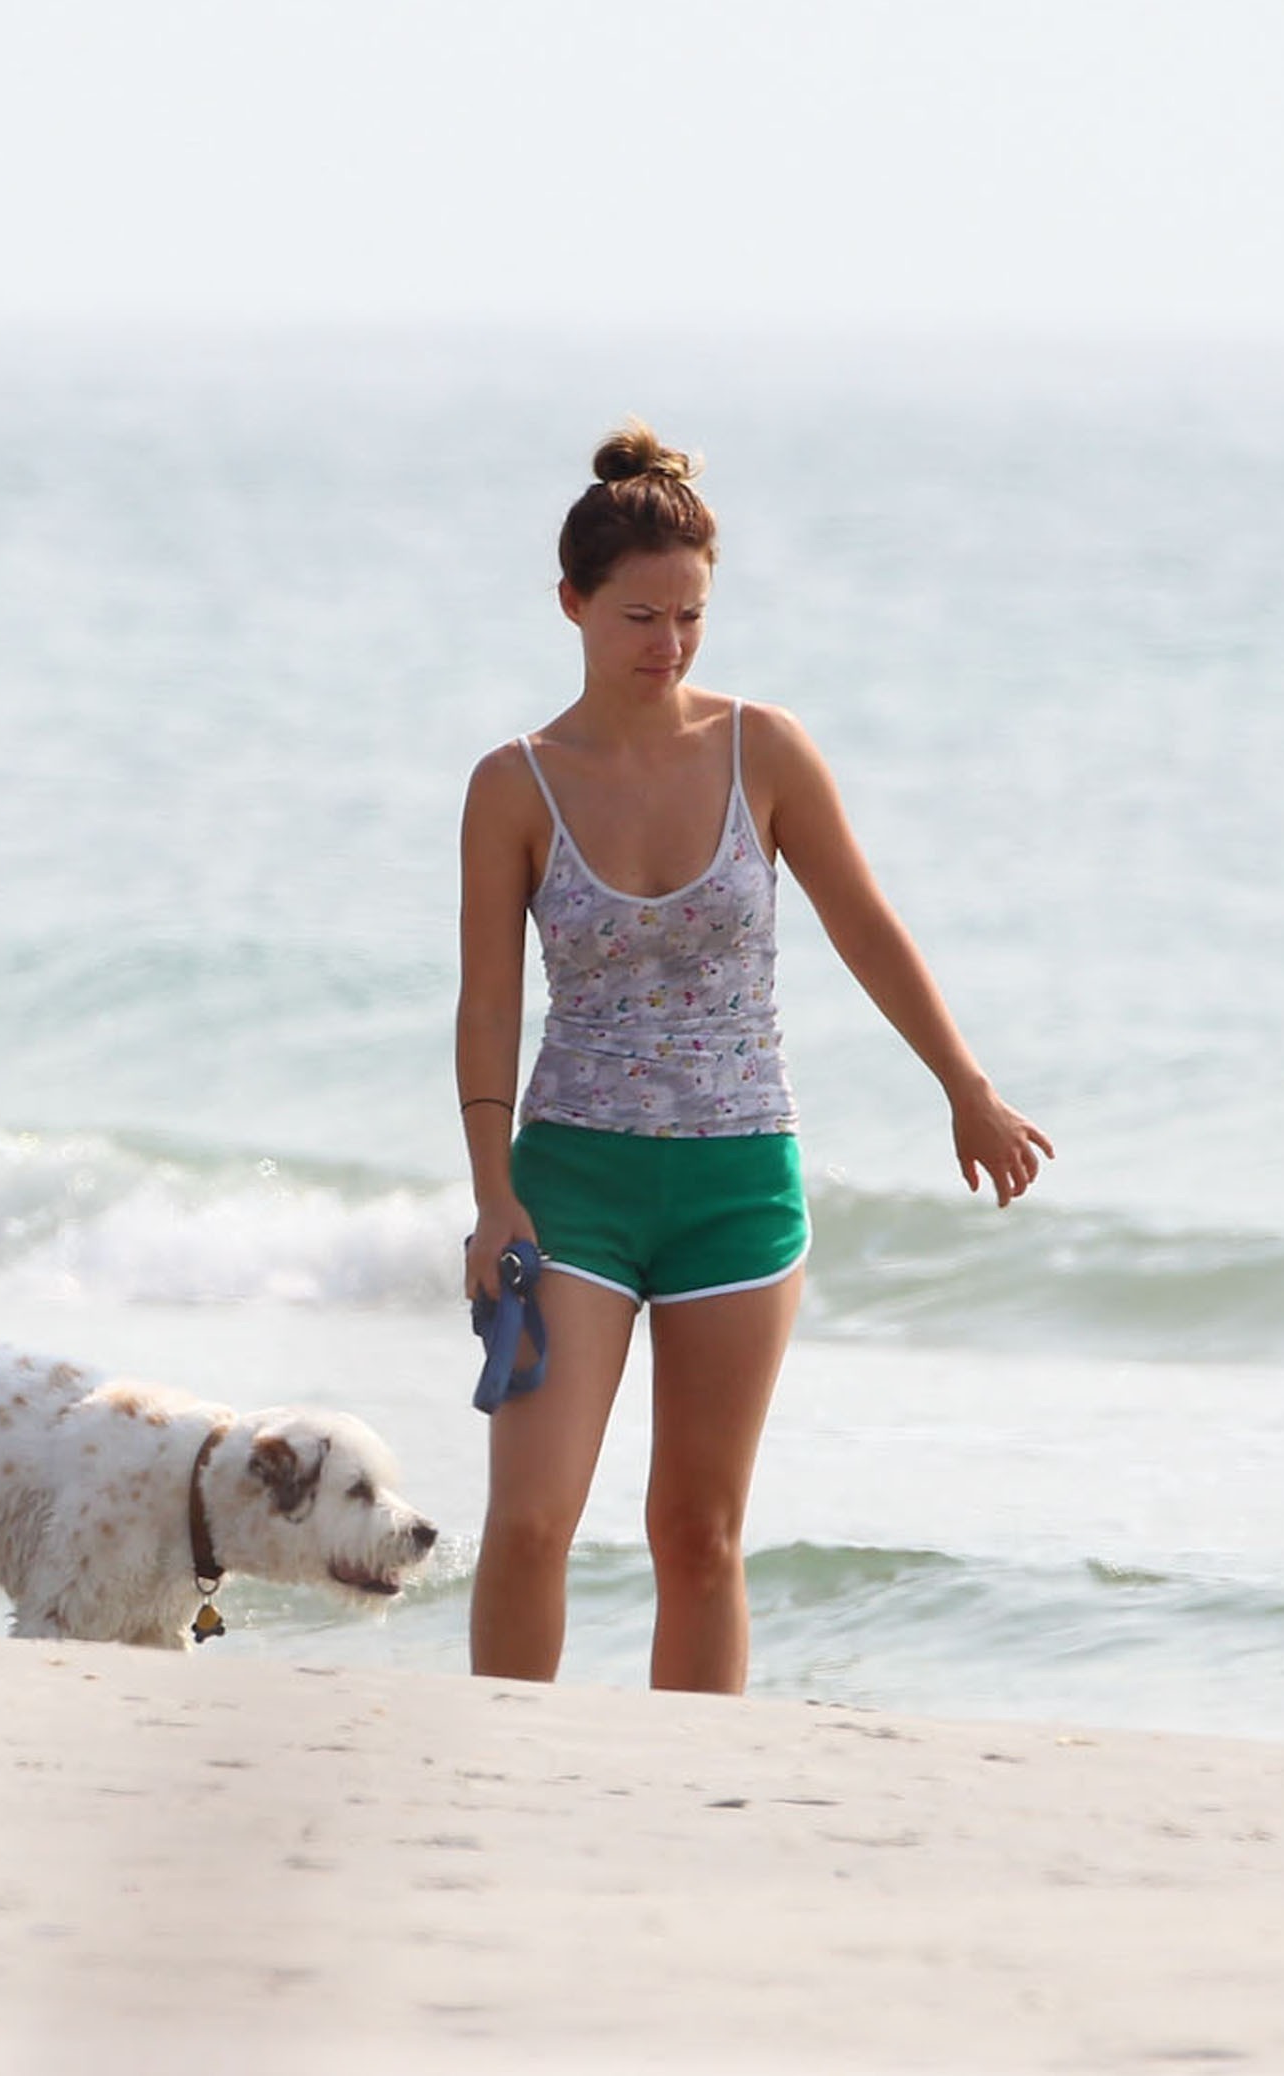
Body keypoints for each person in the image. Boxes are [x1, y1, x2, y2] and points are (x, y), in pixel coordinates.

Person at [456, 422, 1051, 1694]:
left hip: (740, 1184)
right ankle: (492, 1766)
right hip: (572, 1186)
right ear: (570, 603)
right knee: (528, 1523)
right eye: (637, 617)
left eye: (689, 616)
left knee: (700, 1535)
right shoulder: (515, 785)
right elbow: (488, 1005)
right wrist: (491, 1191)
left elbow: (867, 929)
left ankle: (683, 1804)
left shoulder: (763, 751)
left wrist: (966, 1086)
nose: (666, 644)